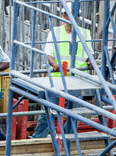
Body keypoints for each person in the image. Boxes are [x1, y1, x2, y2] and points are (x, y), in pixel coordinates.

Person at [32, 7, 93, 138]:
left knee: (75, 114)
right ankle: (38, 138)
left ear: (79, 17)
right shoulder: (55, 32)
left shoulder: (85, 33)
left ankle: (68, 139)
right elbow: (48, 54)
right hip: (58, 79)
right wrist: (54, 64)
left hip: (77, 81)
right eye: (68, 14)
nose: (71, 17)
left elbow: (90, 54)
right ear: (63, 15)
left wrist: (90, 61)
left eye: (76, 14)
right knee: (48, 112)